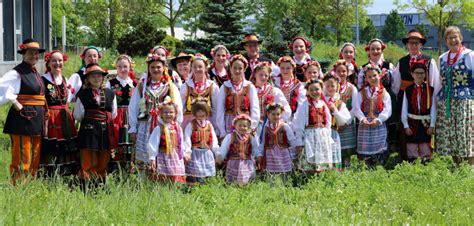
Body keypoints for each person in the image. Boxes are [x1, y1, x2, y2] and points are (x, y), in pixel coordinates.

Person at [0, 39, 47, 183]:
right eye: (31, 53)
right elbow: (1, 85)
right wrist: (13, 100)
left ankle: (29, 183)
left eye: (36, 53)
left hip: (36, 118)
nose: (34, 56)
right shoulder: (17, 72)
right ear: (24, 54)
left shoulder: (35, 72)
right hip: (22, 119)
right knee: (22, 153)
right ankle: (18, 184)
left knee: (34, 152)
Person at [128, 54, 182, 178]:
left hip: (164, 127)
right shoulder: (142, 86)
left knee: (163, 153)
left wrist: (176, 125)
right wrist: (133, 128)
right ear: (148, 69)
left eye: (158, 67)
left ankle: (162, 180)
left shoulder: (170, 87)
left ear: (164, 68)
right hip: (145, 125)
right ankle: (143, 182)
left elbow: (177, 107)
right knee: (144, 154)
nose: (155, 70)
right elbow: (133, 107)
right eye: (152, 67)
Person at [392, 30, 440, 161]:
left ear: (421, 45)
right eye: (411, 43)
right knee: (406, 130)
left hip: (425, 100)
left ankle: (426, 158)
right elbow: (396, 85)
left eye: (416, 43)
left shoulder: (429, 61)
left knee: (424, 131)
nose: (413, 46)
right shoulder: (401, 62)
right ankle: (407, 157)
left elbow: (435, 83)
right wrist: (405, 94)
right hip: (406, 99)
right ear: (407, 44)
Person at [435, 26, 474, 166]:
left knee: (465, 133)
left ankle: (470, 167)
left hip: (465, 101)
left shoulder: (469, 55)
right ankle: (457, 166)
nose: (453, 40)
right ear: (446, 41)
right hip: (447, 102)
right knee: (451, 134)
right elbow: (439, 81)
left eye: (455, 37)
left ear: (461, 38)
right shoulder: (442, 58)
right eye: (449, 37)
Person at [73, 63, 117, 186]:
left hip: (105, 129)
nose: (96, 78)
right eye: (93, 76)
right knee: (88, 157)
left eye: (99, 76)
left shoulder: (110, 93)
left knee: (103, 157)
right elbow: (78, 114)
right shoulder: (82, 94)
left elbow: (113, 113)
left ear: (103, 77)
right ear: (87, 79)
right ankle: (87, 185)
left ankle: (100, 184)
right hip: (88, 131)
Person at [41, 50, 78, 176]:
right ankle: (50, 174)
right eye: (54, 61)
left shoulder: (64, 79)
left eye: (60, 60)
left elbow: (68, 98)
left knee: (66, 143)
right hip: (50, 117)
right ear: (49, 63)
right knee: (52, 144)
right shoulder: (43, 80)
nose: (57, 63)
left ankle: (65, 173)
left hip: (65, 117)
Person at [358, 39, 398, 153]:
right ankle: (371, 149)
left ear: (382, 50)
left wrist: (389, 93)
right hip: (368, 98)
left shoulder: (388, 65)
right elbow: (360, 85)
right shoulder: (363, 68)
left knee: (390, 121)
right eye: (373, 49)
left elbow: (395, 83)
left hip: (386, 95)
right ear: (368, 51)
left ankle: (389, 147)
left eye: (378, 49)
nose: (375, 51)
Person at [354, 64, 392, 168]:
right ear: (366, 78)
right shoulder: (361, 92)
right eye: (369, 76)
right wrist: (362, 119)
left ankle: (379, 166)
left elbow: (387, 110)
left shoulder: (384, 93)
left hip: (378, 124)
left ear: (380, 75)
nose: (372, 78)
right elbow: (356, 108)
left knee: (379, 145)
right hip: (364, 125)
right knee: (365, 145)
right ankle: (365, 167)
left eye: (374, 75)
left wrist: (379, 120)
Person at [292, 79, 333, 173]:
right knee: (311, 159)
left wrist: (327, 135)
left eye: (317, 89)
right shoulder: (304, 105)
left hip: (322, 135)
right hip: (310, 136)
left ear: (322, 90)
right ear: (307, 91)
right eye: (311, 90)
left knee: (322, 158)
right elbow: (299, 123)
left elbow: (328, 121)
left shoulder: (323, 104)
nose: (314, 92)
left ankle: (321, 177)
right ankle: (309, 179)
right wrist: (299, 140)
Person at [106, 55, 137, 172]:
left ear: (130, 67)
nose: (123, 69)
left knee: (130, 140)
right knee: (116, 138)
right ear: (116, 68)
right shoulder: (111, 83)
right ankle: (115, 167)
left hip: (130, 115)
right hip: (116, 115)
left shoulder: (134, 83)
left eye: (125, 66)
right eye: (120, 67)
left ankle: (129, 166)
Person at [216, 54, 260, 138]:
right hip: (229, 124)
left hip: (245, 125)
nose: (237, 71)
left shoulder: (249, 86)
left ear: (244, 69)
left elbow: (255, 108)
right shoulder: (225, 86)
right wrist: (222, 130)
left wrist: (251, 127)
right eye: (234, 68)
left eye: (240, 68)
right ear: (230, 69)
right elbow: (220, 110)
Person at [401, 60, 436, 162]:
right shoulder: (408, 90)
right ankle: (413, 165)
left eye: (422, 73)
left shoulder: (430, 89)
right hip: (412, 122)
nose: (419, 75)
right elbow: (404, 108)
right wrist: (406, 125)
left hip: (426, 123)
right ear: (412, 74)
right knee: (412, 145)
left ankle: (426, 164)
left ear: (425, 74)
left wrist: (432, 125)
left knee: (425, 145)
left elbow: (433, 108)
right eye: (417, 73)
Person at [147, 97, 186, 184]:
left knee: (175, 177)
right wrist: (152, 158)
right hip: (163, 156)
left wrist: (183, 153)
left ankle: (175, 192)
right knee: (163, 179)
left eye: (171, 112)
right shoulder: (159, 128)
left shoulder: (178, 128)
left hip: (175, 157)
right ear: (161, 114)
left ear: (176, 114)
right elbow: (153, 144)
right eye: (166, 112)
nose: (168, 114)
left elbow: (181, 142)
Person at [216, 114, 262, 186]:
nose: (242, 127)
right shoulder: (230, 136)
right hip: (233, 162)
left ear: (248, 127)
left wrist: (258, 155)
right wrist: (221, 156)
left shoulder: (251, 138)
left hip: (247, 162)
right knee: (233, 181)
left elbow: (255, 149)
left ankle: (246, 188)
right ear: (235, 126)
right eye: (240, 125)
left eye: (245, 126)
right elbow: (224, 148)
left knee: (246, 180)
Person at [183, 99, 219, 184]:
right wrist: (187, 151)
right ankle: (193, 186)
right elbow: (187, 138)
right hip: (195, 153)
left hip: (207, 152)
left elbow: (213, 139)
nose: (200, 113)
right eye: (198, 111)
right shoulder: (191, 124)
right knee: (195, 174)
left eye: (203, 111)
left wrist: (217, 152)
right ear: (194, 112)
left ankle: (206, 186)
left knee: (206, 174)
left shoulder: (209, 125)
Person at [250, 62, 291, 138]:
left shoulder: (274, 91)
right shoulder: (249, 90)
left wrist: (277, 121)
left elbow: (286, 110)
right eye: (261, 75)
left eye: (266, 75)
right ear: (255, 75)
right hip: (252, 126)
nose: (263, 77)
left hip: (269, 126)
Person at [180, 53, 219, 131]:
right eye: (194, 67)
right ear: (191, 68)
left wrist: (216, 127)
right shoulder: (186, 86)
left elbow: (216, 109)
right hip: (188, 123)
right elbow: (181, 107)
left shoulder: (212, 86)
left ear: (205, 68)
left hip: (207, 122)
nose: (197, 69)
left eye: (200, 67)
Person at [259, 103, 297, 180]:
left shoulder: (284, 126)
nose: (276, 116)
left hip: (283, 153)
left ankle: (285, 186)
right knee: (271, 174)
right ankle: (272, 188)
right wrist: (260, 154)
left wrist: (293, 155)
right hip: (270, 154)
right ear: (268, 114)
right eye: (273, 114)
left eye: (278, 114)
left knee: (284, 173)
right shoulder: (266, 128)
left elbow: (292, 141)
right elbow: (263, 142)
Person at [323, 74, 351, 171]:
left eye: (332, 86)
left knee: (334, 152)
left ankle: (335, 173)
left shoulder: (339, 103)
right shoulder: (319, 101)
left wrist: (335, 110)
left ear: (337, 87)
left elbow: (345, 120)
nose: (330, 88)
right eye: (327, 86)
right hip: (321, 133)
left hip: (333, 132)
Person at [333, 60, 358, 167]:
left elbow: (355, 106)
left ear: (348, 72)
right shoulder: (331, 87)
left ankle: (347, 168)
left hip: (348, 122)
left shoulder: (352, 88)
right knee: (335, 147)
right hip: (334, 123)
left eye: (343, 71)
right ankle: (336, 169)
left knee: (346, 149)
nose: (341, 73)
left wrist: (347, 122)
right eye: (338, 71)